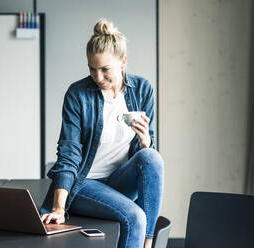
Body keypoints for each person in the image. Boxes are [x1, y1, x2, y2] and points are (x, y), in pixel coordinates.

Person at [40, 19, 164, 248]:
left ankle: (149, 243)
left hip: (119, 182)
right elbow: (69, 153)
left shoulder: (142, 89)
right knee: (134, 216)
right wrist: (58, 208)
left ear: (123, 62)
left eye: (105, 69)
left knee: (152, 156)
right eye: (92, 69)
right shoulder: (78, 94)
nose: (98, 77)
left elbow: (145, 161)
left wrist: (145, 141)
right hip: (85, 184)